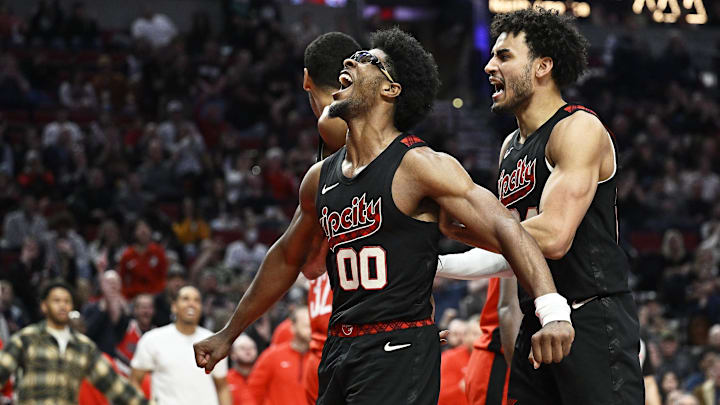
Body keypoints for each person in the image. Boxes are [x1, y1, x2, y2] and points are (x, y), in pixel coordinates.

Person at [194, 27, 574, 404]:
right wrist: (229, 332)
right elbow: (287, 257)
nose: (349, 61)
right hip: (340, 345)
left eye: (364, 59)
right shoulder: (319, 178)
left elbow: (506, 226)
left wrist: (552, 309)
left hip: (398, 344)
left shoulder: (419, 165)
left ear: (390, 89)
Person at [442, 7, 643, 404]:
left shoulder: (577, 128)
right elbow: (512, 248)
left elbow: (552, 236)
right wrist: (438, 262)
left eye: (504, 56)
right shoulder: (509, 148)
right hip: (538, 318)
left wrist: (470, 225)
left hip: (591, 319)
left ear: (542, 66)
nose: (488, 66)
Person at [300, 31, 361, 404]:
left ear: (306, 79)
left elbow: (307, 264)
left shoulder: (331, 123)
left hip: (367, 334)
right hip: (391, 322)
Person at [0, 280, 149, 404]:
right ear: (44, 306)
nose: (62, 305)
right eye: (56, 301)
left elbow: (115, 387)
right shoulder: (26, 339)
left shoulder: (83, 346)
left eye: (67, 301)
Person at [131, 285, 231, 405]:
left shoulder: (214, 341)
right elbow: (134, 381)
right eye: (185, 299)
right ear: (174, 307)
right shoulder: (152, 339)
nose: (191, 304)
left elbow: (222, 387)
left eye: (196, 300)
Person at [248, 306, 311, 405]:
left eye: (314, 325)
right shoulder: (272, 356)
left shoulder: (321, 358)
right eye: (307, 325)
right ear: (292, 327)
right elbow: (253, 393)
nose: (311, 330)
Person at [227, 334, 257, 405]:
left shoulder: (263, 376)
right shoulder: (225, 380)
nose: (248, 351)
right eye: (242, 348)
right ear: (232, 354)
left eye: (251, 347)